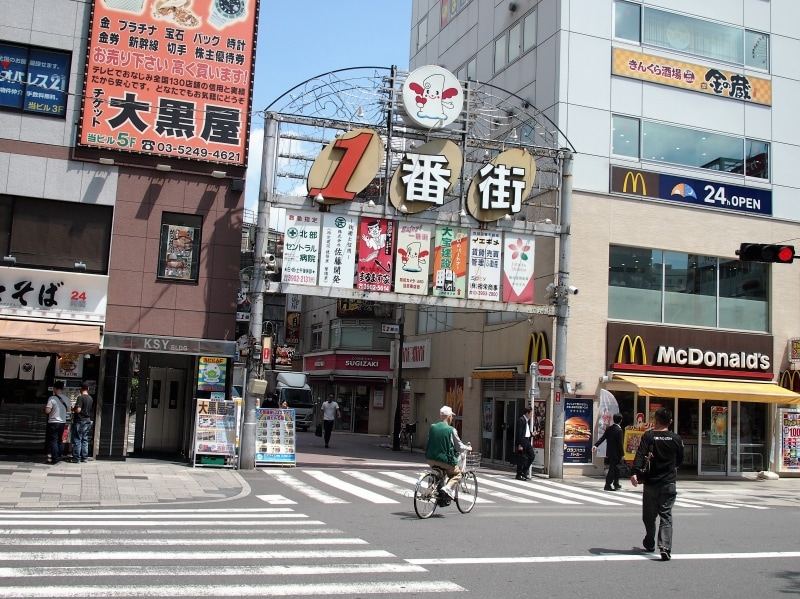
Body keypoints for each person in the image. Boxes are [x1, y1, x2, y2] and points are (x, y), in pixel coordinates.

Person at [631, 407, 684, 561]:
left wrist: (634, 472)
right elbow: (680, 460)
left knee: (649, 516)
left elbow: (640, 454)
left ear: (655, 420)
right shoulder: (676, 439)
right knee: (666, 515)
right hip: (669, 482)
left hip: (651, 482)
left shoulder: (649, 436)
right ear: (670, 421)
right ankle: (665, 547)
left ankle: (650, 540)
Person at [425, 406, 461, 499]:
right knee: (457, 474)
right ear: (449, 417)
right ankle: (447, 488)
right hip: (445, 461)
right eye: (452, 416)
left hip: (431, 459)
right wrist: (467, 448)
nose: (452, 418)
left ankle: (432, 488)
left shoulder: (432, 427)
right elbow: (459, 446)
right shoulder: (451, 430)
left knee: (438, 473)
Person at [593, 412, 624, 491]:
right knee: (613, 469)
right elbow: (620, 443)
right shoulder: (619, 430)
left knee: (616, 468)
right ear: (621, 420)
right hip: (617, 453)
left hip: (610, 452)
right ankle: (608, 484)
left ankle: (616, 483)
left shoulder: (609, 429)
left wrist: (596, 445)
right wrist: (622, 454)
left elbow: (602, 438)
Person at [44, 381, 70, 465]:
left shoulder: (52, 398)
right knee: (59, 440)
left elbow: (47, 410)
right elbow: (69, 410)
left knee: (53, 440)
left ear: (54, 388)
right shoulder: (66, 398)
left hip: (53, 422)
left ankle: (54, 458)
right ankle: (59, 456)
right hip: (62, 422)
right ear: (63, 389)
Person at [70, 383, 94, 463]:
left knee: (77, 439)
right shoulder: (90, 398)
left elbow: (78, 410)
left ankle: (76, 458)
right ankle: (84, 457)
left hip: (80, 420)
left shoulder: (80, 397)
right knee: (84, 439)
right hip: (87, 420)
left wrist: (73, 408)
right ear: (88, 389)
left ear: (81, 388)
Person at [514, 406, 535, 480]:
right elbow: (519, 433)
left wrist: (532, 434)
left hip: (527, 440)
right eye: (531, 413)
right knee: (521, 458)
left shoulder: (526, 421)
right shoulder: (521, 420)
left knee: (531, 456)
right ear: (527, 413)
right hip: (522, 441)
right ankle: (519, 474)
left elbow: (526, 432)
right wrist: (519, 445)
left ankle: (524, 472)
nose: (532, 415)